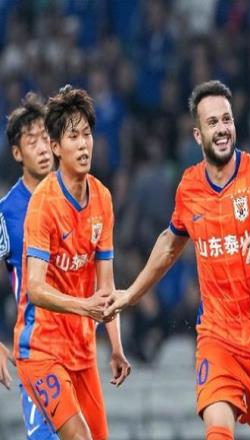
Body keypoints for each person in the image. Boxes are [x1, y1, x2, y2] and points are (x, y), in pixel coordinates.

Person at [105, 80, 250, 440]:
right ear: (197, 134)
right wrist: (132, 294)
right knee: (217, 430)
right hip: (217, 337)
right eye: (212, 122)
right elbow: (169, 244)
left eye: (226, 120)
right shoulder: (189, 187)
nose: (222, 129)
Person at [13, 85, 131, 440]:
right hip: (41, 350)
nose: (83, 145)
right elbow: (35, 289)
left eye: (87, 134)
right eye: (73, 137)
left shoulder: (103, 198)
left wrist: (116, 347)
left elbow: (106, 286)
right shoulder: (43, 204)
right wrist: (85, 306)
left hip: (83, 350)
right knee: (79, 436)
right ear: (55, 147)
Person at [0, 92, 58, 439]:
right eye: (31, 141)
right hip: (35, 346)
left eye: (45, 138)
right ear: (17, 153)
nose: (42, 148)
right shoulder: (5, 214)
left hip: (77, 346)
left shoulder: (79, 197)